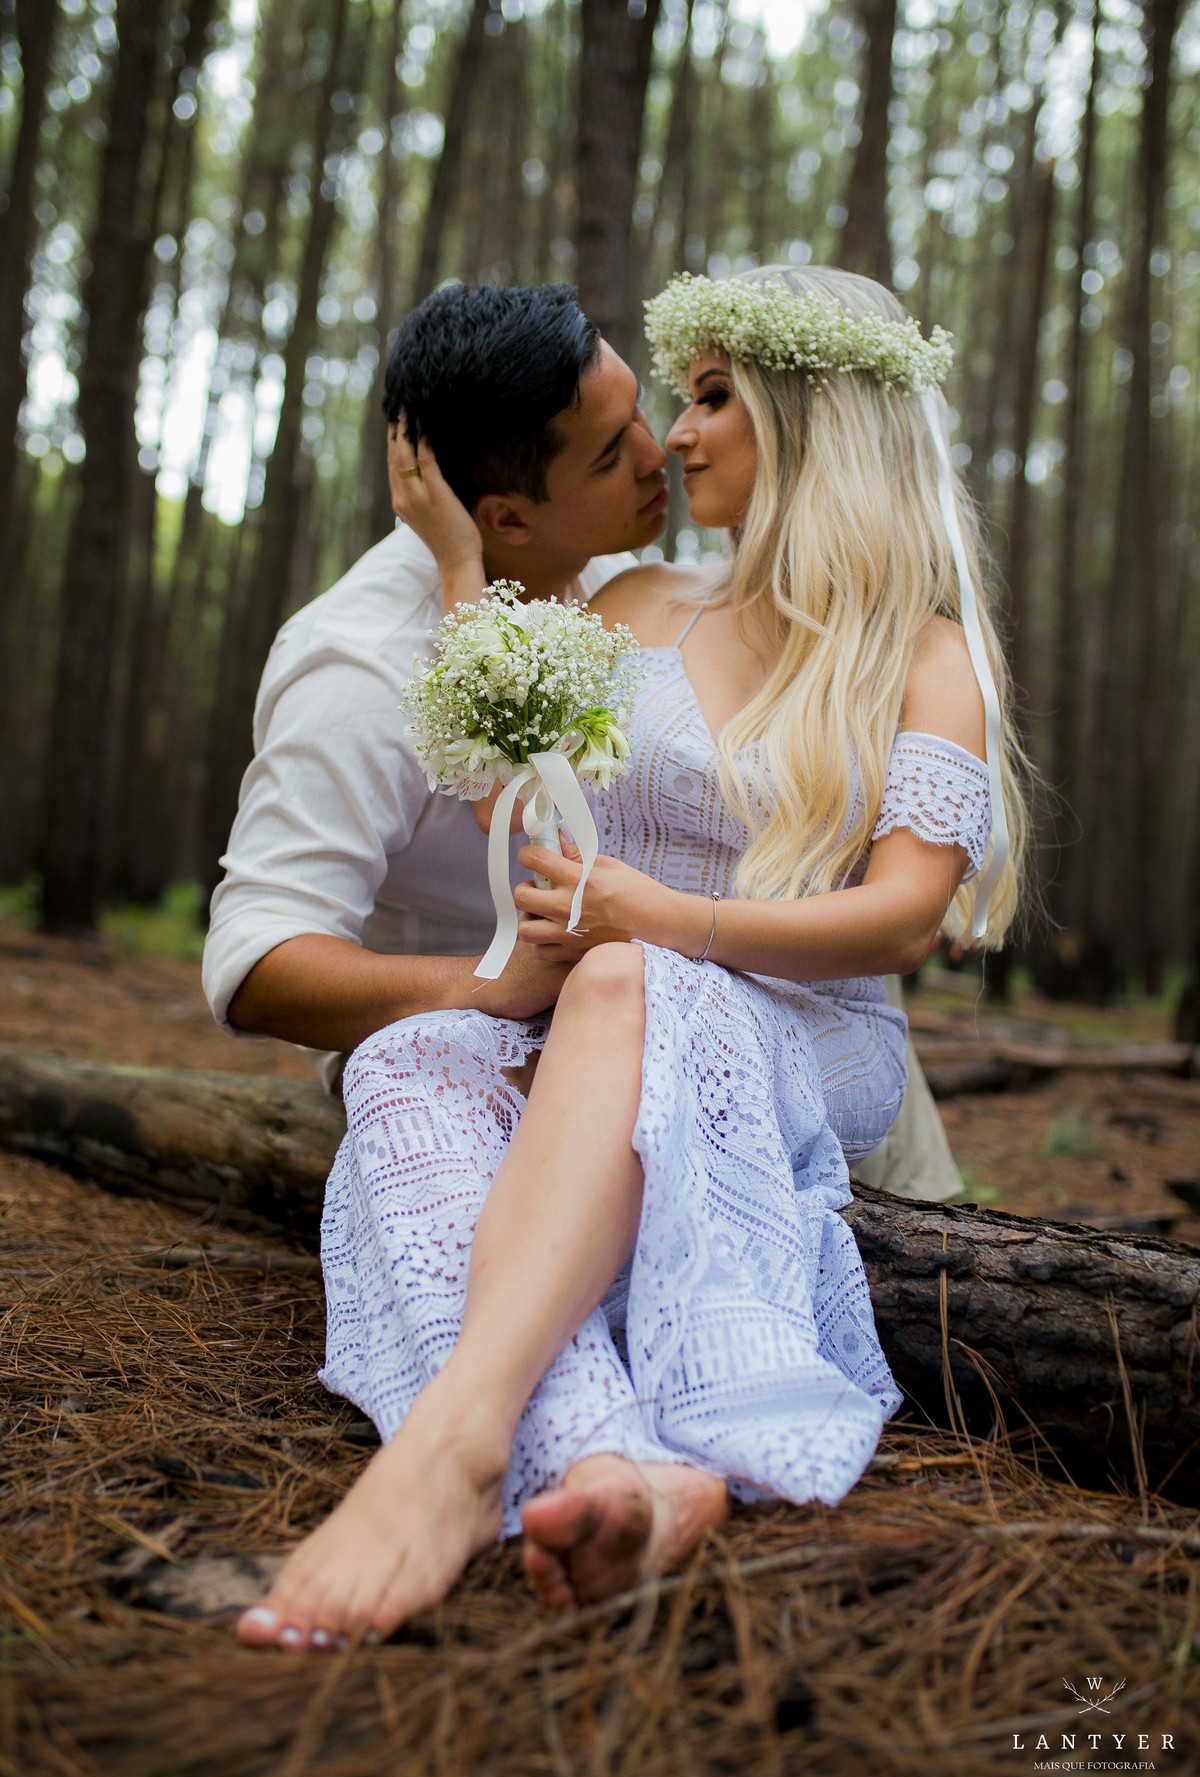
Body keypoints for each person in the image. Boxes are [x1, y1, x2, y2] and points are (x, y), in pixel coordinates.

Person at [235, 266, 1028, 1653]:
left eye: (715, 397)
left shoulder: (926, 654)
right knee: (415, 1046)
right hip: (612, 1001)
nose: (679, 431)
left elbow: (904, 918)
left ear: (813, 424)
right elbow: (512, 791)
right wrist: (465, 574)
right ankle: (610, 1461)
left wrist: (663, 924)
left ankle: (456, 1442)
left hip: (807, 1025)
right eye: (681, 396)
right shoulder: (641, 601)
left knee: (620, 977)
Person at [203, 278, 960, 1198]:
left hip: (746, 991)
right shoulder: (357, 670)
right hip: (477, 1019)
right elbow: (252, 961)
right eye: (611, 455)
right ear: (509, 518)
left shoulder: (628, 573)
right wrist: (491, 986)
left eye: (646, 410)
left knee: (933, 1235)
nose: (660, 452)